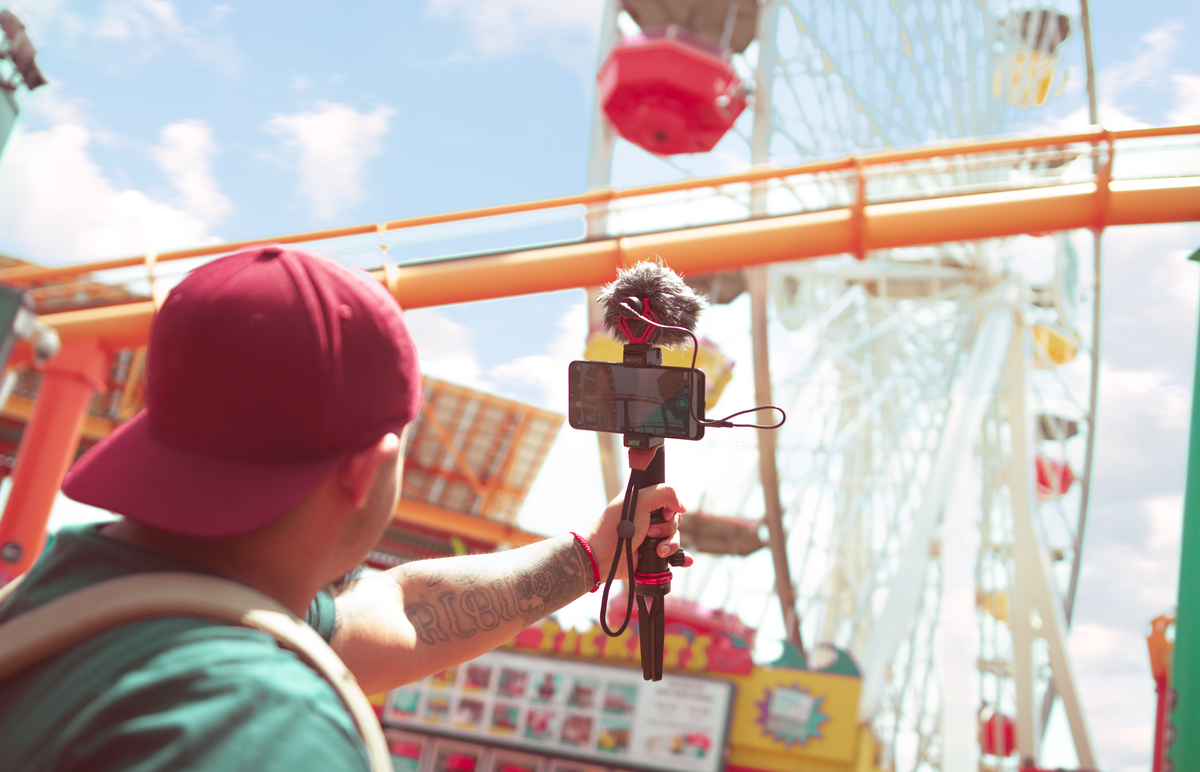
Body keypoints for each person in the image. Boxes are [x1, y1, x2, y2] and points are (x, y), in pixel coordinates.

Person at [0, 245, 687, 771]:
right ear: (370, 467)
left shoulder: (73, 594)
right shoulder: (262, 725)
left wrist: (594, 554)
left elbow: (402, 611)